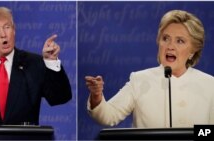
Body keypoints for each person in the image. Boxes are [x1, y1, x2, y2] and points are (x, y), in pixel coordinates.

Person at [85, 10, 214, 128]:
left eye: (179, 41)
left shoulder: (210, 85)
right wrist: (96, 96)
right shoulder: (140, 80)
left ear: (193, 50)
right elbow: (109, 116)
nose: (170, 46)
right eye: (165, 39)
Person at [0, 7, 72, 125]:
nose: (3, 35)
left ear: (14, 30)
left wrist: (51, 62)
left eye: (7, 27)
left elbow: (60, 98)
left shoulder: (34, 63)